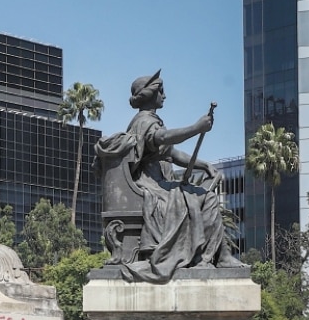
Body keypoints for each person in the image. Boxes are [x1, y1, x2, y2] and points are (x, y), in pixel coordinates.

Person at [101, 71, 242, 283]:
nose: (165, 96)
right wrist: (196, 128)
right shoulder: (144, 122)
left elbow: (171, 153)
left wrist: (203, 165)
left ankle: (217, 256)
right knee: (206, 198)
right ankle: (213, 257)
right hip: (150, 186)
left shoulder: (151, 120)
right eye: (161, 91)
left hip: (160, 184)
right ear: (151, 94)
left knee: (204, 197)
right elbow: (163, 138)